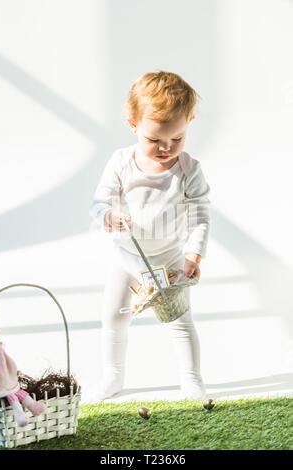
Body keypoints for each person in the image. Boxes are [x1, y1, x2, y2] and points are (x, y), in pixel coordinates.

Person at [89, 70, 211, 401]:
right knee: (113, 316)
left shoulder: (188, 169)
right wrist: (109, 216)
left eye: (177, 139)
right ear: (133, 124)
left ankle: (191, 378)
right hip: (126, 258)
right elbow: (98, 203)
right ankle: (113, 376)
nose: (166, 148)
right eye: (154, 140)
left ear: (189, 124)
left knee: (180, 322)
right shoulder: (120, 162)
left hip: (169, 258)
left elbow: (201, 215)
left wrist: (193, 254)